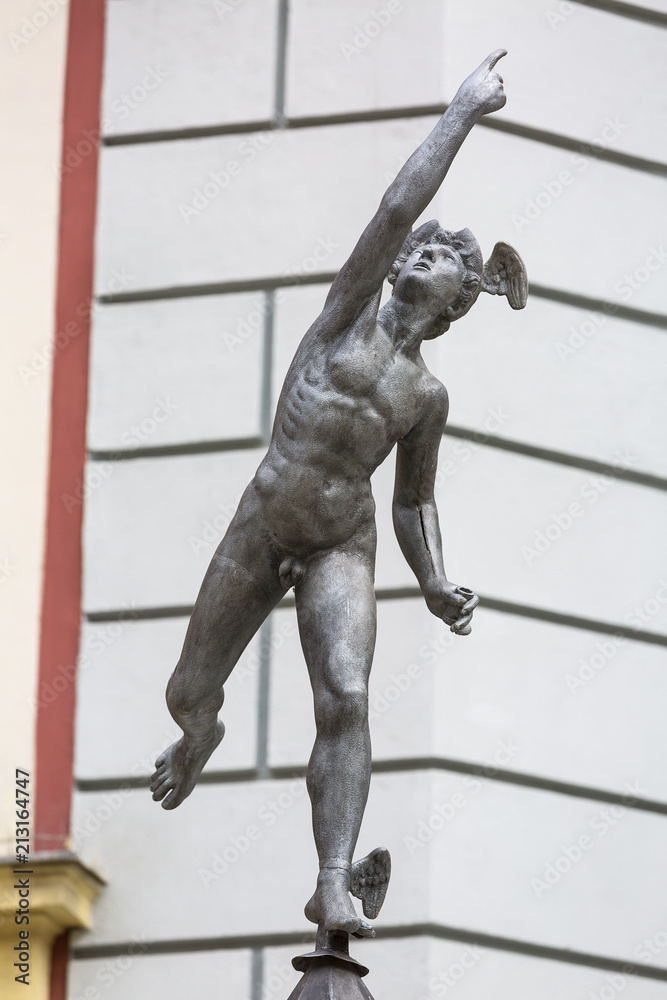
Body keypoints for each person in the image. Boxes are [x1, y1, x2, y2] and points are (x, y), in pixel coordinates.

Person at [151, 49, 527, 938]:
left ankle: (332, 880)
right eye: (421, 245)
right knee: (186, 692)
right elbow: (397, 204)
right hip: (263, 521)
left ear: (454, 302)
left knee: (348, 697)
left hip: (340, 544)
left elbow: (411, 501)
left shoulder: (424, 396)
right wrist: (461, 114)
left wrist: (433, 579)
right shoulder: (345, 313)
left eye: (438, 254)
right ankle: (201, 738)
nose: (418, 247)